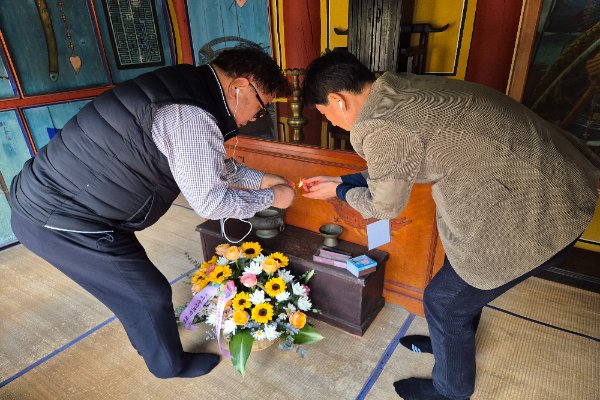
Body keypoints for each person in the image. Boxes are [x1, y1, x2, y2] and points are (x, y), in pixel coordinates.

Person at [300, 50, 600, 400]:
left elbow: (385, 207)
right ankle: (451, 342)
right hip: (551, 179)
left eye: (325, 114)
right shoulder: (396, 89)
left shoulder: (380, 124)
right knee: (458, 278)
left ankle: (451, 391)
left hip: (542, 208)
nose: (332, 123)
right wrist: (341, 180)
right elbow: (396, 163)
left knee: (444, 302)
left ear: (338, 100)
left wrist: (338, 191)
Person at [9, 47, 296, 379]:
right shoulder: (192, 114)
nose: (255, 118)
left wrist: (263, 179)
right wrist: (272, 197)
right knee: (147, 294)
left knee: (131, 292)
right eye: (261, 107)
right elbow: (210, 203)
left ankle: (148, 338)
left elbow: (203, 162)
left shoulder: (187, 85)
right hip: (62, 218)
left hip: (68, 201)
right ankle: (168, 366)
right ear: (240, 86)